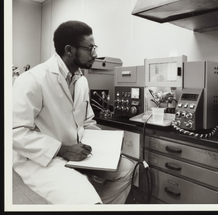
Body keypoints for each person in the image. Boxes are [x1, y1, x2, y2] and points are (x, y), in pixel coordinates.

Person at [12, 20, 134, 204]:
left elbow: (87, 122)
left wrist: (107, 146)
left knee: (127, 169)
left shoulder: (81, 80)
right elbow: (15, 132)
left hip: (78, 152)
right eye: (90, 48)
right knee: (87, 200)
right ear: (69, 50)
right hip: (44, 158)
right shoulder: (33, 80)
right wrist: (63, 149)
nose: (95, 54)